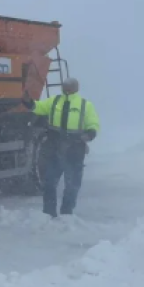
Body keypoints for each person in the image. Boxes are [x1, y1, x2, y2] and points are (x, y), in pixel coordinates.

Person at [22, 77, 100, 217]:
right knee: (50, 183)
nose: (66, 89)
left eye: (69, 87)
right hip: (55, 148)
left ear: (76, 88)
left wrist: (90, 134)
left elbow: (93, 123)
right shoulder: (54, 101)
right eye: (65, 86)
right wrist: (29, 102)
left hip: (74, 150)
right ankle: (49, 213)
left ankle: (66, 213)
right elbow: (39, 107)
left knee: (72, 186)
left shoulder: (85, 105)